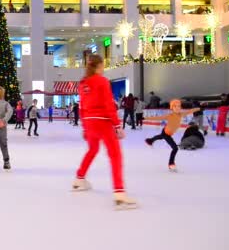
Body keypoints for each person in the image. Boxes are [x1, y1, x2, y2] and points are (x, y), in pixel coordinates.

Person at [72, 54, 137, 210]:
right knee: (115, 155)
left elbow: (81, 106)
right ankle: (120, 194)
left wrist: (85, 127)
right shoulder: (102, 81)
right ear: (99, 65)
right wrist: (117, 126)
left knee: (93, 149)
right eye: (103, 65)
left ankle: (79, 179)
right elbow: (108, 104)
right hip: (102, 121)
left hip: (89, 121)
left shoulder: (82, 83)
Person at [145, 99, 200, 172]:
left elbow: (190, 111)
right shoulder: (170, 116)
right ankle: (171, 164)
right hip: (167, 134)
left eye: (179, 106)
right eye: (175, 106)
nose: (177, 108)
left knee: (161, 136)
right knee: (175, 148)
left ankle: (150, 140)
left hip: (166, 131)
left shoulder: (181, 114)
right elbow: (158, 118)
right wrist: (145, 118)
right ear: (172, 108)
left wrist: (199, 108)